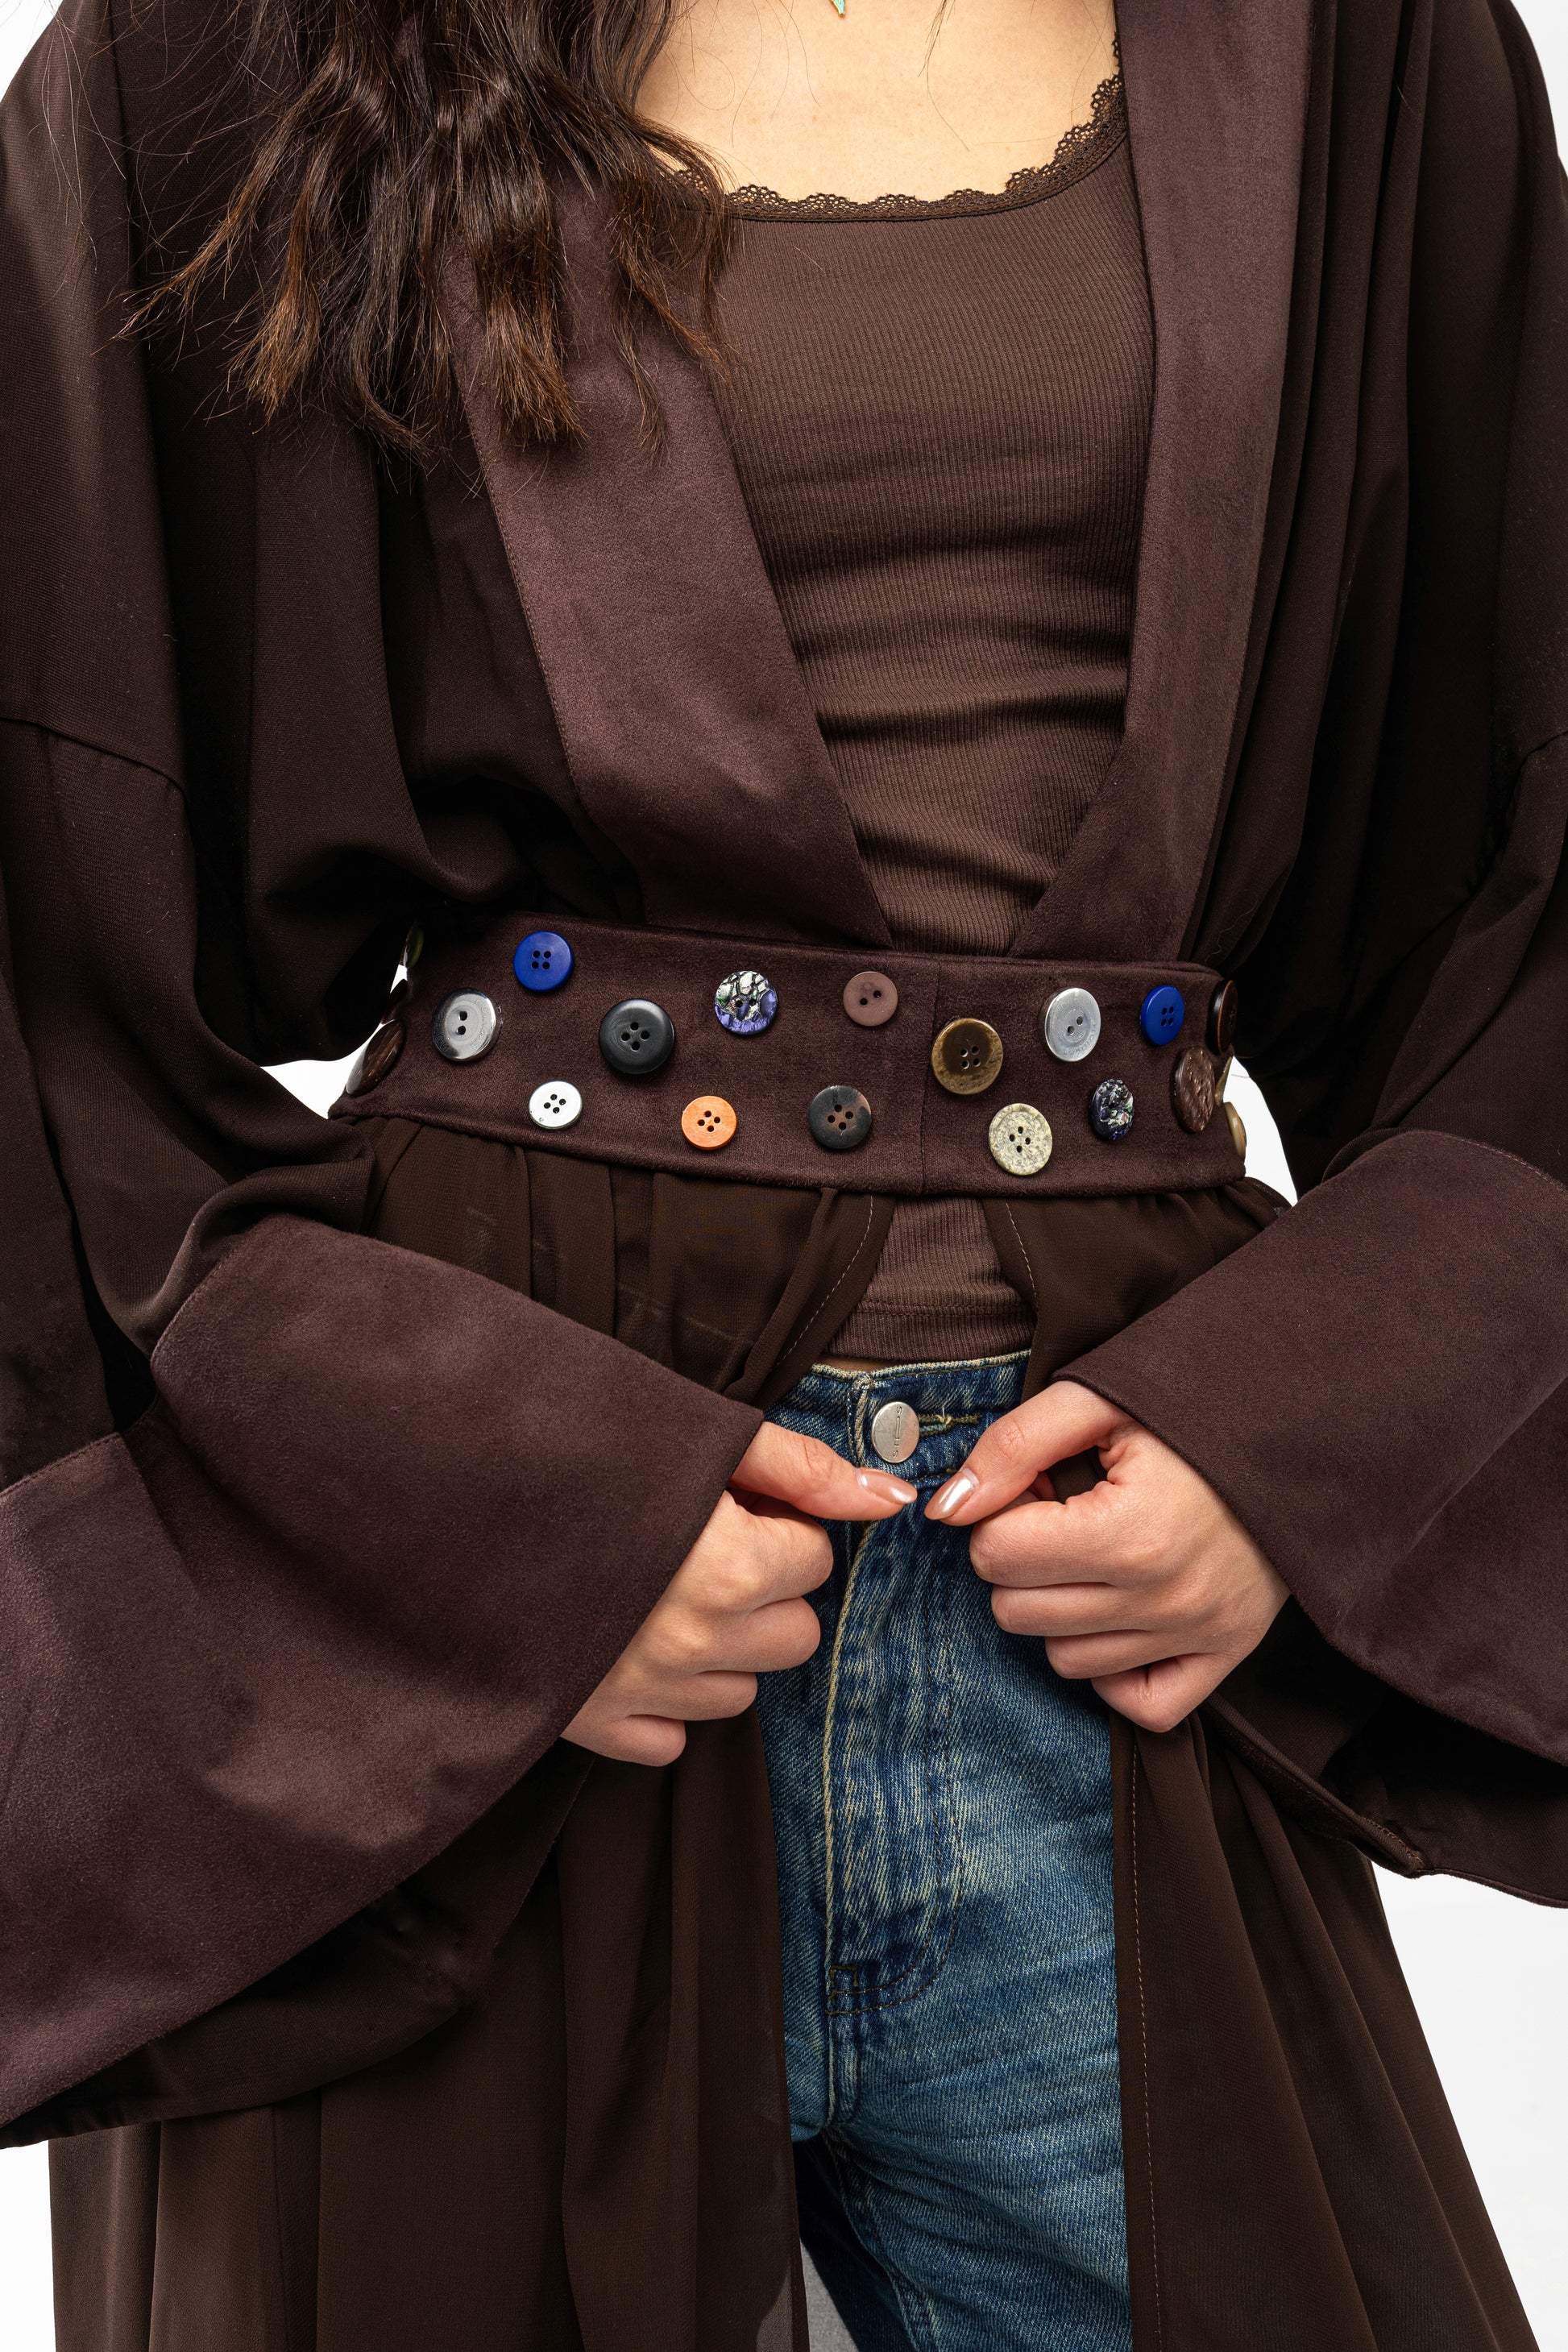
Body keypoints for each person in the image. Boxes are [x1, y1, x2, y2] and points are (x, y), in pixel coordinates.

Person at [0, 0, 1565, 2342]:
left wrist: (1303, 1436)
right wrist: (471, 1520)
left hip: (1108, 1604)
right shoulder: (244, 43)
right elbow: (38, 922)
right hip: (481, 1670)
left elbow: (1533, 853)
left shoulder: (1366, 52)